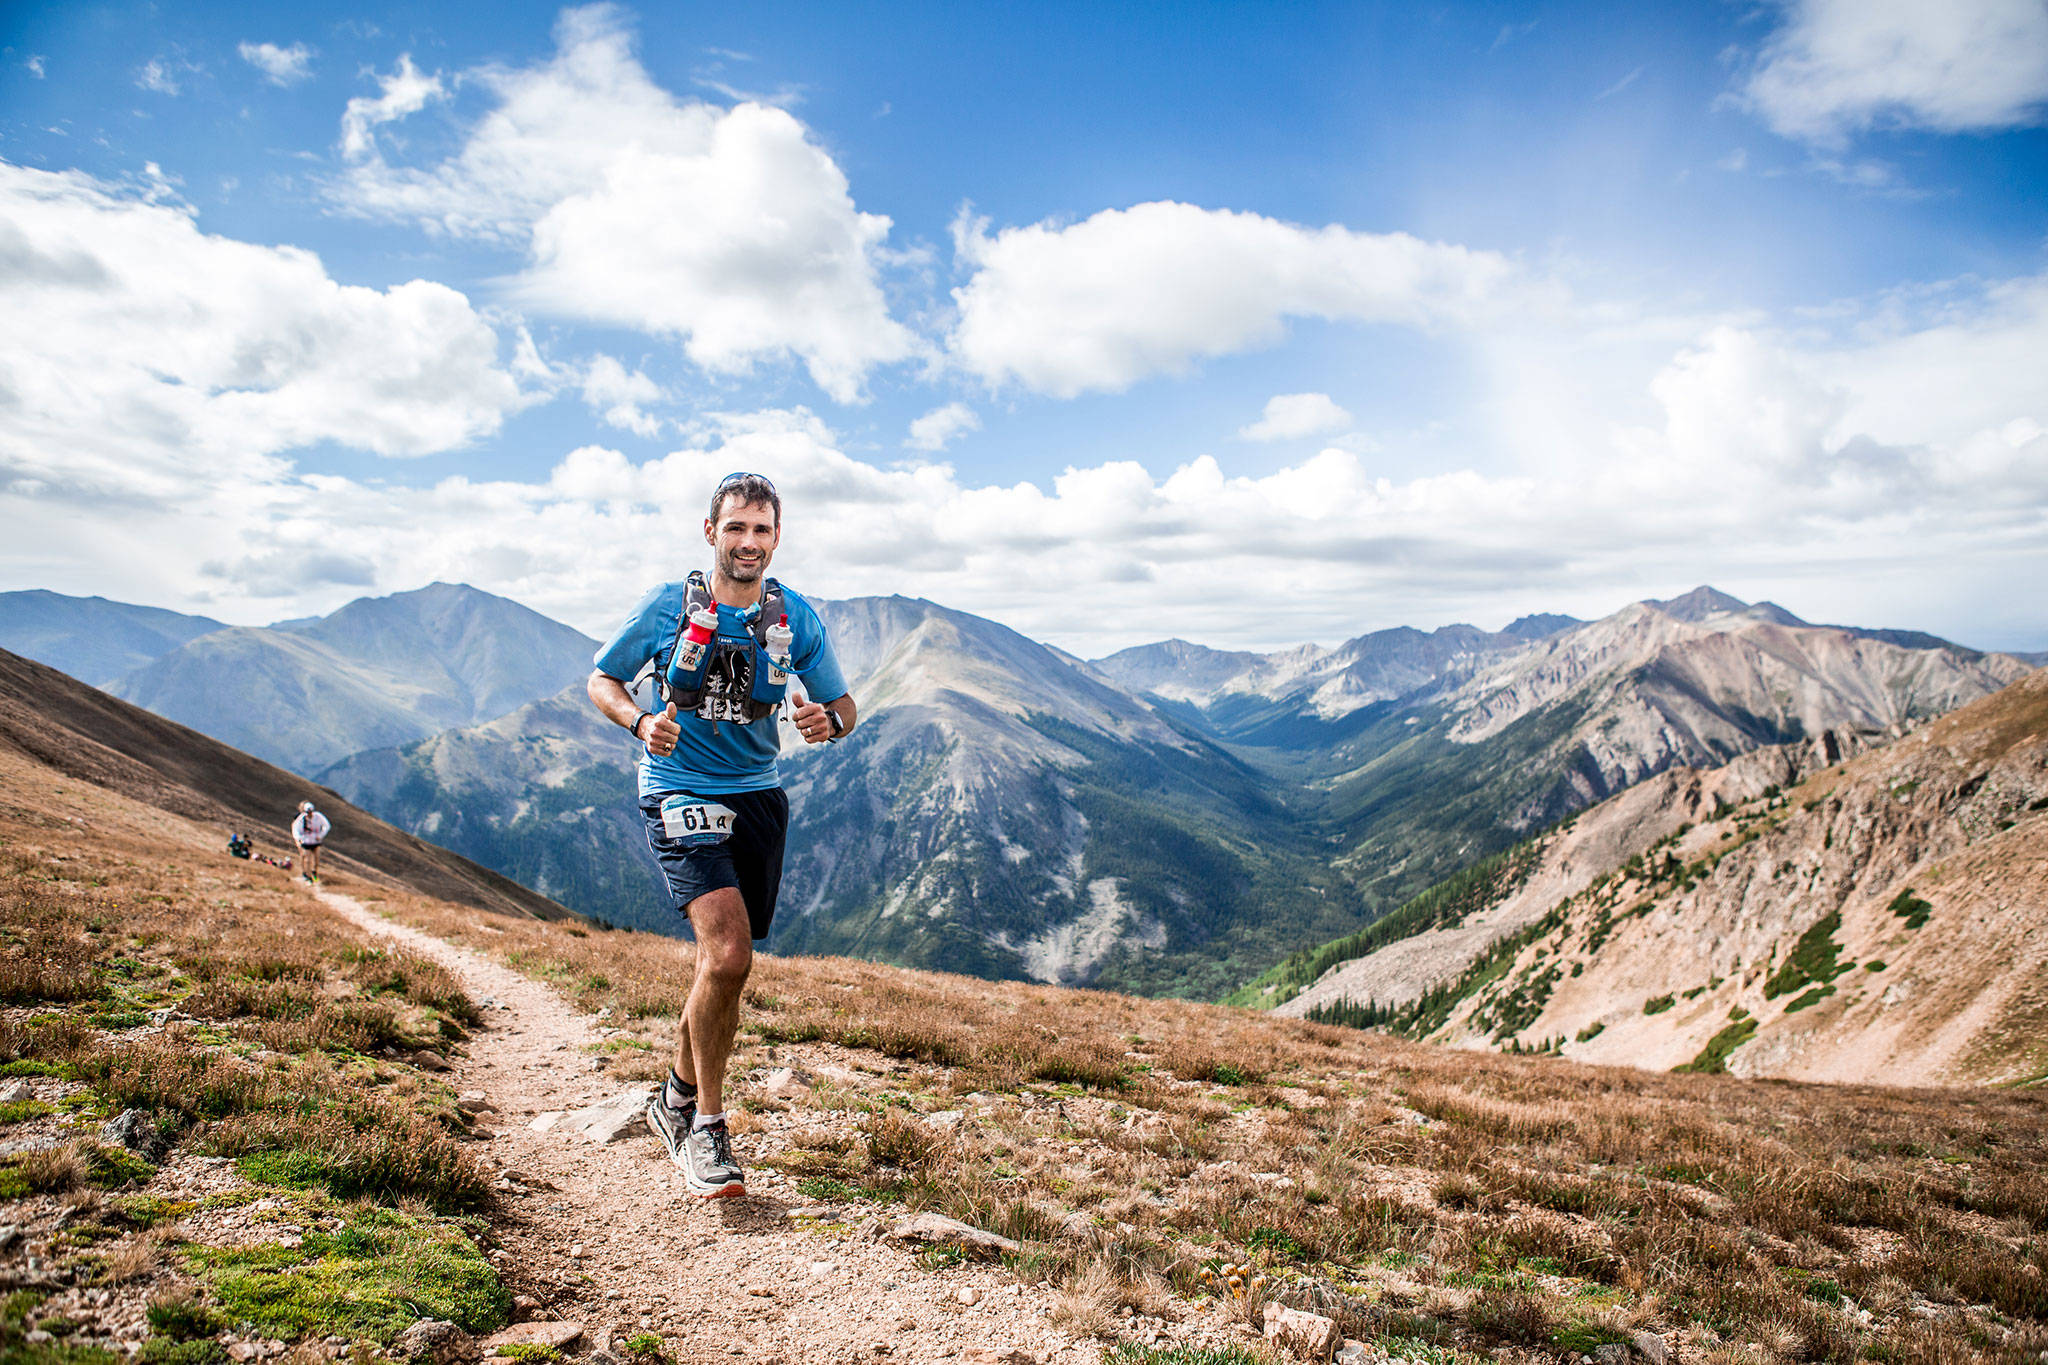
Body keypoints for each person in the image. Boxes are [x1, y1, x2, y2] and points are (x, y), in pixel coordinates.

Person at [587, 472, 855, 1199]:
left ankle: (672, 1096)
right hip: (678, 790)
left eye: (761, 529)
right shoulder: (667, 607)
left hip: (758, 794)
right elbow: (603, 680)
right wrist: (641, 722)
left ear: (777, 537)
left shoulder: (793, 616)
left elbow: (843, 704)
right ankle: (705, 1127)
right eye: (736, 527)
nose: (748, 542)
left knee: (721, 965)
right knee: (730, 954)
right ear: (711, 532)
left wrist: (828, 722)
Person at [291, 801, 330, 882]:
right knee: (307, 859)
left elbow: (326, 826)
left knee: (317, 859)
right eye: (308, 812)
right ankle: (308, 876)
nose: (309, 814)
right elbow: (295, 829)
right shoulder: (301, 819)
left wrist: (321, 835)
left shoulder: (318, 816)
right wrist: (299, 839)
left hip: (316, 841)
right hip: (306, 842)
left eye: (310, 812)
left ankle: (314, 872)